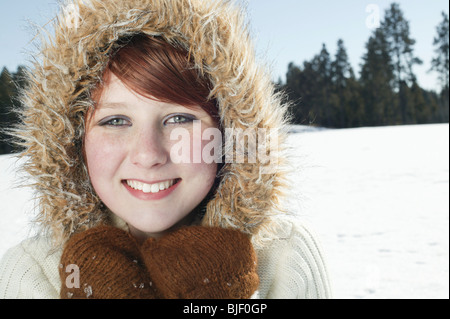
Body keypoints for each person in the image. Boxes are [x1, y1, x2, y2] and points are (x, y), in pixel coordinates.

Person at [0, 0, 331, 299]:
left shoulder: (287, 258)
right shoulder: (30, 272)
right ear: (73, 145)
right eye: (115, 121)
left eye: (178, 118)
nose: (148, 155)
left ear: (228, 133)